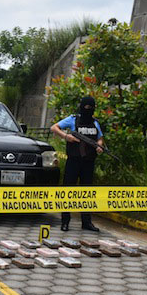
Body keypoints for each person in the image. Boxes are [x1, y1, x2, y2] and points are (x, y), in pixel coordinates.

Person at [50, 95, 104, 232]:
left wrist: (99, 146)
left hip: (89, 162)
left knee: (87, 193)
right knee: (68, 191)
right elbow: (54, 127)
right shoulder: (73, 119)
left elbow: (100, 138)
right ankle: (65, 221)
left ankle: (86, 222)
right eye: (87, 107)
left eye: (91, 107)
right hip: (73, 161)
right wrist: (66, 136)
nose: (89, 109)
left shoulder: (95, 123)